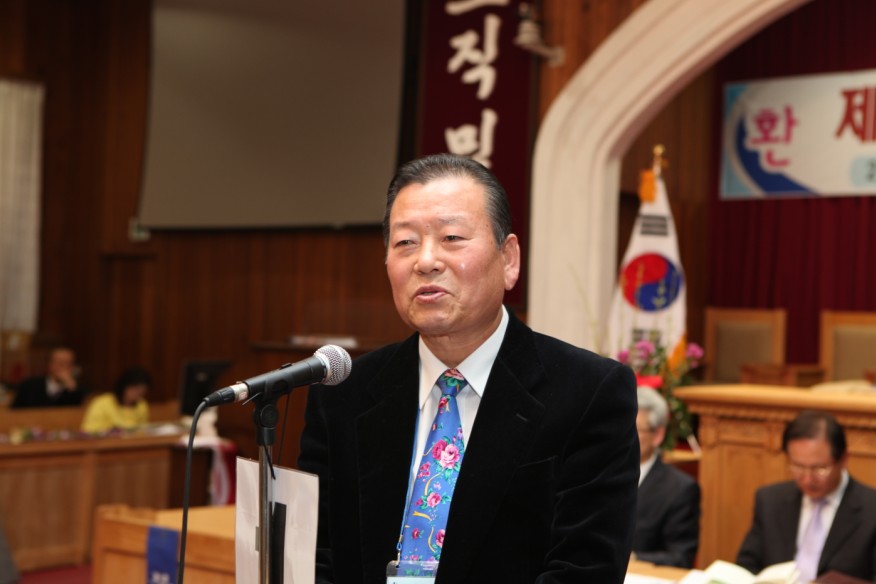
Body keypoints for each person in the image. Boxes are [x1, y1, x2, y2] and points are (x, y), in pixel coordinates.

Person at [297, 153, 639, 584]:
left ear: (509, 259)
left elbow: (585, 570)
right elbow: (314, 556)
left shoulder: (589, 392)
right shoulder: (343, 391)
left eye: (452, 237)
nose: (425, 261)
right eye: (405, 243)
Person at [736, 410, 876, 582]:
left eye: (819, 469)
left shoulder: (871, 510)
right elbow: (746, 568)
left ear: (844, 460)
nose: (808, 479)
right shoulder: (770, 500)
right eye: (798, 467)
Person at [631, 386, 700, 568]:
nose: (624, 437)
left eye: (635, 429)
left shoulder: (680, 489)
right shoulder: (597, 474)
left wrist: (635, 559)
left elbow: (680, 556)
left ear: (658, 435)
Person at [10, 346, 87, 408]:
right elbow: (14, 412)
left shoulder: (78, 391)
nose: (60, 367)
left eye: (65, 363)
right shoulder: (29, 386)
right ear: (49, 364)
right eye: (57, 362)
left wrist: (72, 388)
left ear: (73, 367)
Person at [80, 366, 151, 433]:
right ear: (124, 386)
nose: (137, 395)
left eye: (141, 393)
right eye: (135, 389)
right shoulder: (102, 403)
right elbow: (88, 430)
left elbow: (143, 430)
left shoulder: (141, 404)